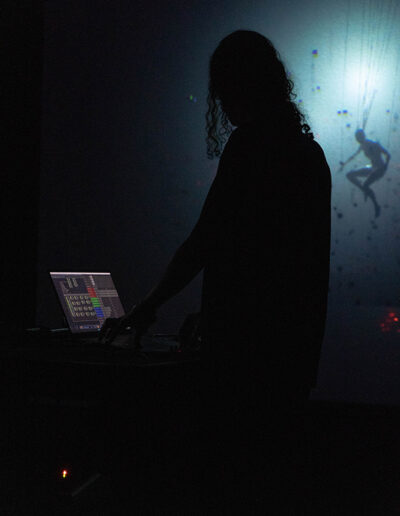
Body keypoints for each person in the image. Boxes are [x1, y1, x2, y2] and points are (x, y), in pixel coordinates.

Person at [101, 30, 331, 510]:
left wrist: (149, 306)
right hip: (292, 357)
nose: (221, 102)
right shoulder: (310, 155)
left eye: (224, 89)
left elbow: (206, 241)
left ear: (237, 87)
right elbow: (287, 266)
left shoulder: (250, 147)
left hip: (245, 362)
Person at [340, 129, 390, 218]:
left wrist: (385, 166)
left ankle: (376, 205)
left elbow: (388, 155)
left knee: (366, 185)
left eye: (358, 137)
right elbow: (354, 155)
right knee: (349, 175)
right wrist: (345, 163)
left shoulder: (374, 144)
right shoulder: (362, 146)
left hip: (380, 169)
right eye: (356, 138)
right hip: (372, 168)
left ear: (362, 136)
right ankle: (364, 189)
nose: (357, 140)